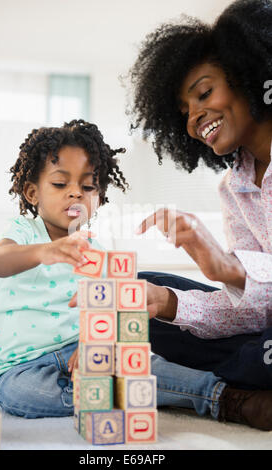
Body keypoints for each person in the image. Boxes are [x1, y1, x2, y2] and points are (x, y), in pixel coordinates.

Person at [127, 0, 272, 430]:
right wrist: (171, 304)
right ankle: (250, 374)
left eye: (204, 93)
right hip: (266, 336)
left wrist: (229, 267)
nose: (194, 119)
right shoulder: (233, 189)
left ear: (251, 76)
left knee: (255, 353)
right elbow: (254, 310)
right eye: (185, 111)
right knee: (138, 296)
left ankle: (241, 379)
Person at [0, 119, 128, 418]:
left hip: (76, 352)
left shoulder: (95, 251)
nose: (76, 193)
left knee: (140, 361)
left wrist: (93, 342)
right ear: (33, 193)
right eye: (61, 184)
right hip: (21, 366)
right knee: (22, 394)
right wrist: (44, 251)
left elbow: (107, 311)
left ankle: (210, 392)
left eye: (88, 186)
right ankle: (104, 395)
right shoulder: (25, 230)